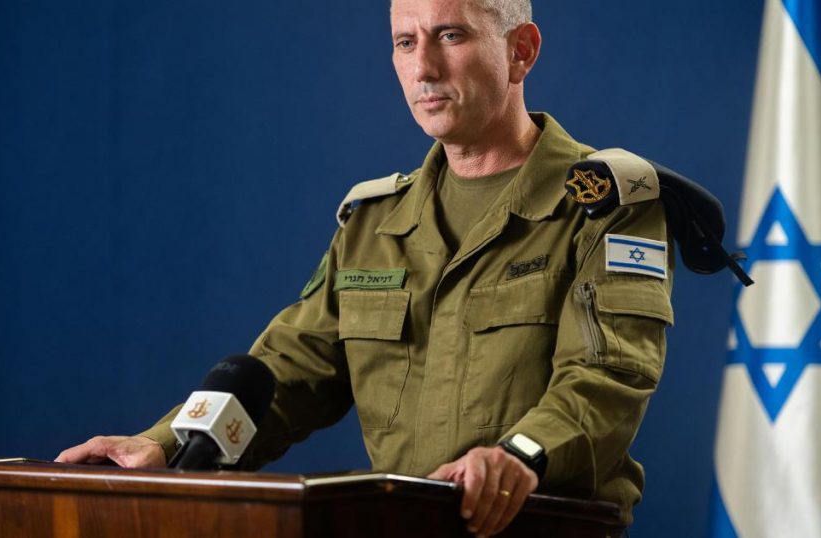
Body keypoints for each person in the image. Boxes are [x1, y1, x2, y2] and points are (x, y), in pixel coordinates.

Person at [56, 0, 674, 535]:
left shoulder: (607, 207)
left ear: (521, 51)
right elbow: (289, 372)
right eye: (405, 42)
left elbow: (607, 377)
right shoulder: (375, 222)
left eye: (450, 35)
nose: (423, 67)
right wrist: (164, 445)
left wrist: (519, 457)